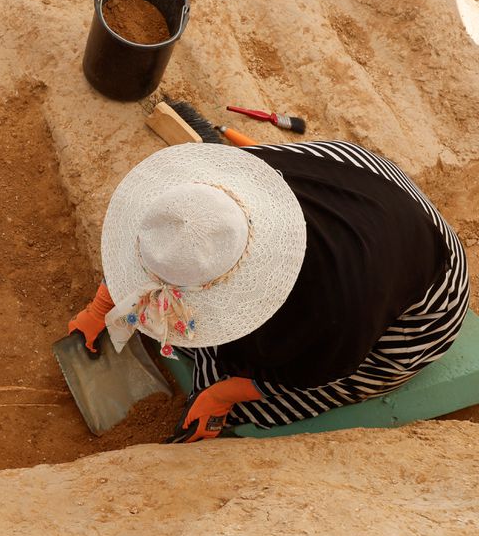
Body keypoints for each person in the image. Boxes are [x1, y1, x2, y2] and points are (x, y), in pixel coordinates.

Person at [69, 140, 470, 443]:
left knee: (240, 366)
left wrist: (221, 396)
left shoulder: (333, 311)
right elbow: (157, 248)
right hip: (358, 177)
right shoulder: (212, 192)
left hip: (426, 291)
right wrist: (102, 305)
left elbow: (313, 373)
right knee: (191, 329)